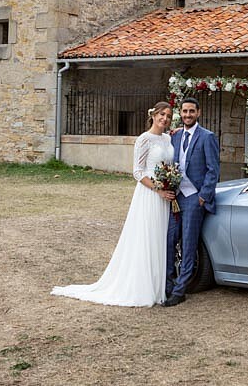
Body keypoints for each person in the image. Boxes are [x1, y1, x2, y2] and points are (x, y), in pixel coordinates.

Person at [51, 102, 176, 307]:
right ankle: (143, 287)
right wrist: (158, 189)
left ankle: (160, 285)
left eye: (169, 116)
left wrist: (169, 184)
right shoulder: (144, 139)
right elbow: (137, 172)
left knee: (160, 238)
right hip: (150, 195)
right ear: (153, 115)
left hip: (166, 197)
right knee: (148, 236)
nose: (165, 118)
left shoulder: (168, 138)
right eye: (162, 114)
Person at [163, 96, 220, 307]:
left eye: (191, 111)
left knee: (188, 244)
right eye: (184, 111)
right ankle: (168, 285)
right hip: (176, 197)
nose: (188, 115)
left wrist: (203, 196)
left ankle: (180, 290)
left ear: (198, 113)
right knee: (169, 240)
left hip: (195, 199)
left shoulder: (207, 137)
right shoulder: (175, 136)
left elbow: (213, 169)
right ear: (181, 113)